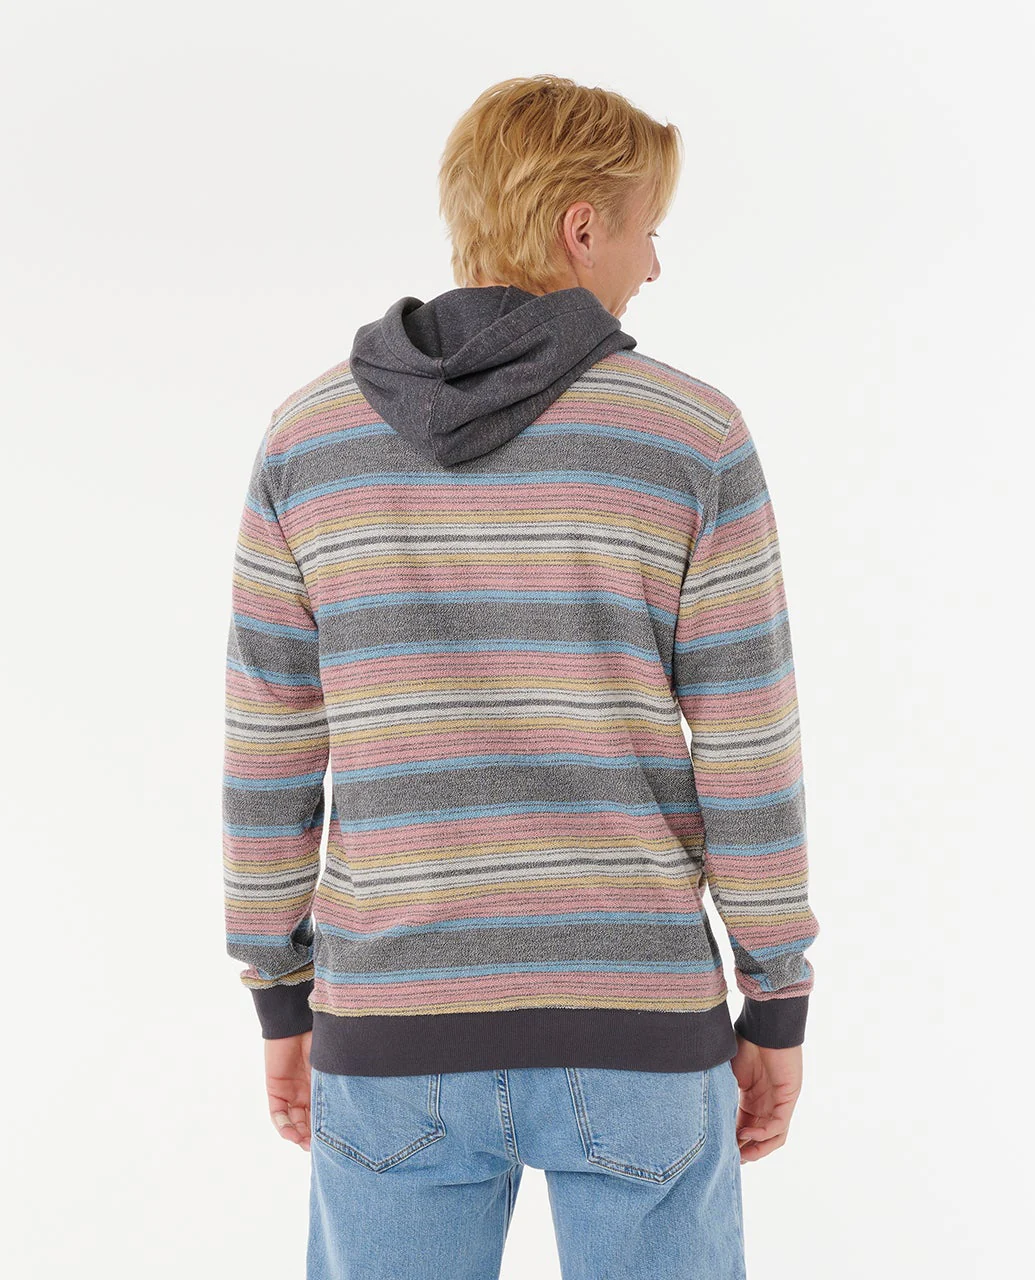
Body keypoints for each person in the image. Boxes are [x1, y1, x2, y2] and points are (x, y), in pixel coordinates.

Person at [222, 73, 821, 1279]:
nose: (655, 264)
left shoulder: (309, 440)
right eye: (648, 228)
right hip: (638, 1019)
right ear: (582, 227)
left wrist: (280, 985)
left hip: (392, 1022)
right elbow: (748, 747)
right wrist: (775, 996)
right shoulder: (688, 436)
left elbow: (270, 744)